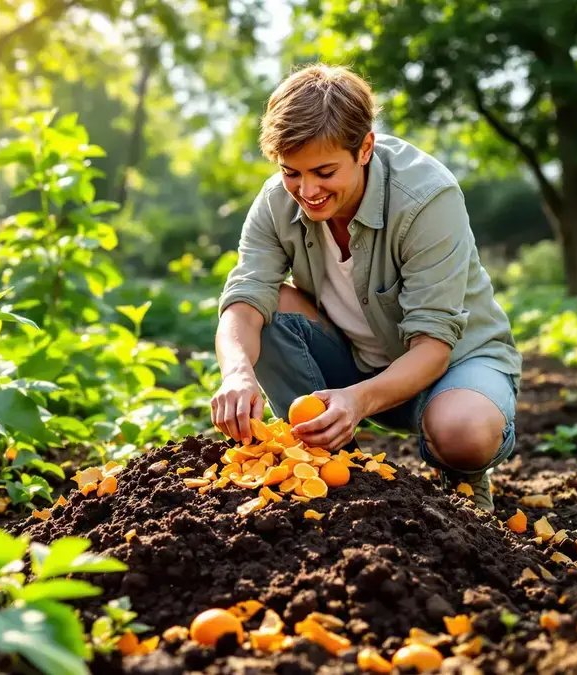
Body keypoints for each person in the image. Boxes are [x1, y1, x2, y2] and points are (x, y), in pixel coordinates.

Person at [210, 63, 522, 511]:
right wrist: (237, 372)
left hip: (452, 365)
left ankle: (466, 480)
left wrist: (357, 401)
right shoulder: (277, 201)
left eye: (323, 171)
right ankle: (322, 459)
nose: (307, 189)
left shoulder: (427, 199)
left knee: (463, 433)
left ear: (365, 148)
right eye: (291, 172)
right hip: (354, 365)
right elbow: (244, 296)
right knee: (268, 306)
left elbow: (433, 346)